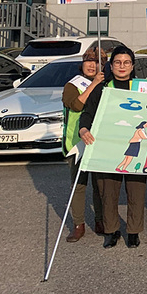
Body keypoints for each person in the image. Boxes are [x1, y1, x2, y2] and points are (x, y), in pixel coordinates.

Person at [78, 45, 147, 249]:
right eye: (117, 62)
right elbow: (87, 113)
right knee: (107, 192)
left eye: (126, 62)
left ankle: (133, 231)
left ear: (133, 65)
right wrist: (83, 130)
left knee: (136, 190)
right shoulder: (102, 87)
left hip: (135, 147)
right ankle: (111, 230)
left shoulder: (142, 87)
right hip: (106, 147)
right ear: (111, 65)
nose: (122, 66)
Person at [61, 46, 106, 241]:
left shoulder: (106, 84)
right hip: (77, 141)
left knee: (100, 184)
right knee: (79, 184)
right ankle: (78, 224)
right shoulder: (72, 85)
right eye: (88, 60)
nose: (92, 65)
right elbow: (77, 105)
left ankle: (100, 220)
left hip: (100, 140)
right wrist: (93, 84)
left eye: (97, 61)